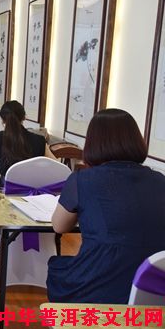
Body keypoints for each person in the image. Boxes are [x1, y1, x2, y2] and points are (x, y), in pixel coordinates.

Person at [48, 109, 165, 304]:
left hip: (98, 287)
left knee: (58, 269)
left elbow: (59, 226)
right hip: (153, 289)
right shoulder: (160, 181)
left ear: (93, 143)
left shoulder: (82, 180)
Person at [0, 100, 54, 234]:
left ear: (2, 120)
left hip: (6, 196)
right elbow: (56, 165)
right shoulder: (39, 140)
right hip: (35, 199)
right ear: (24, 117)